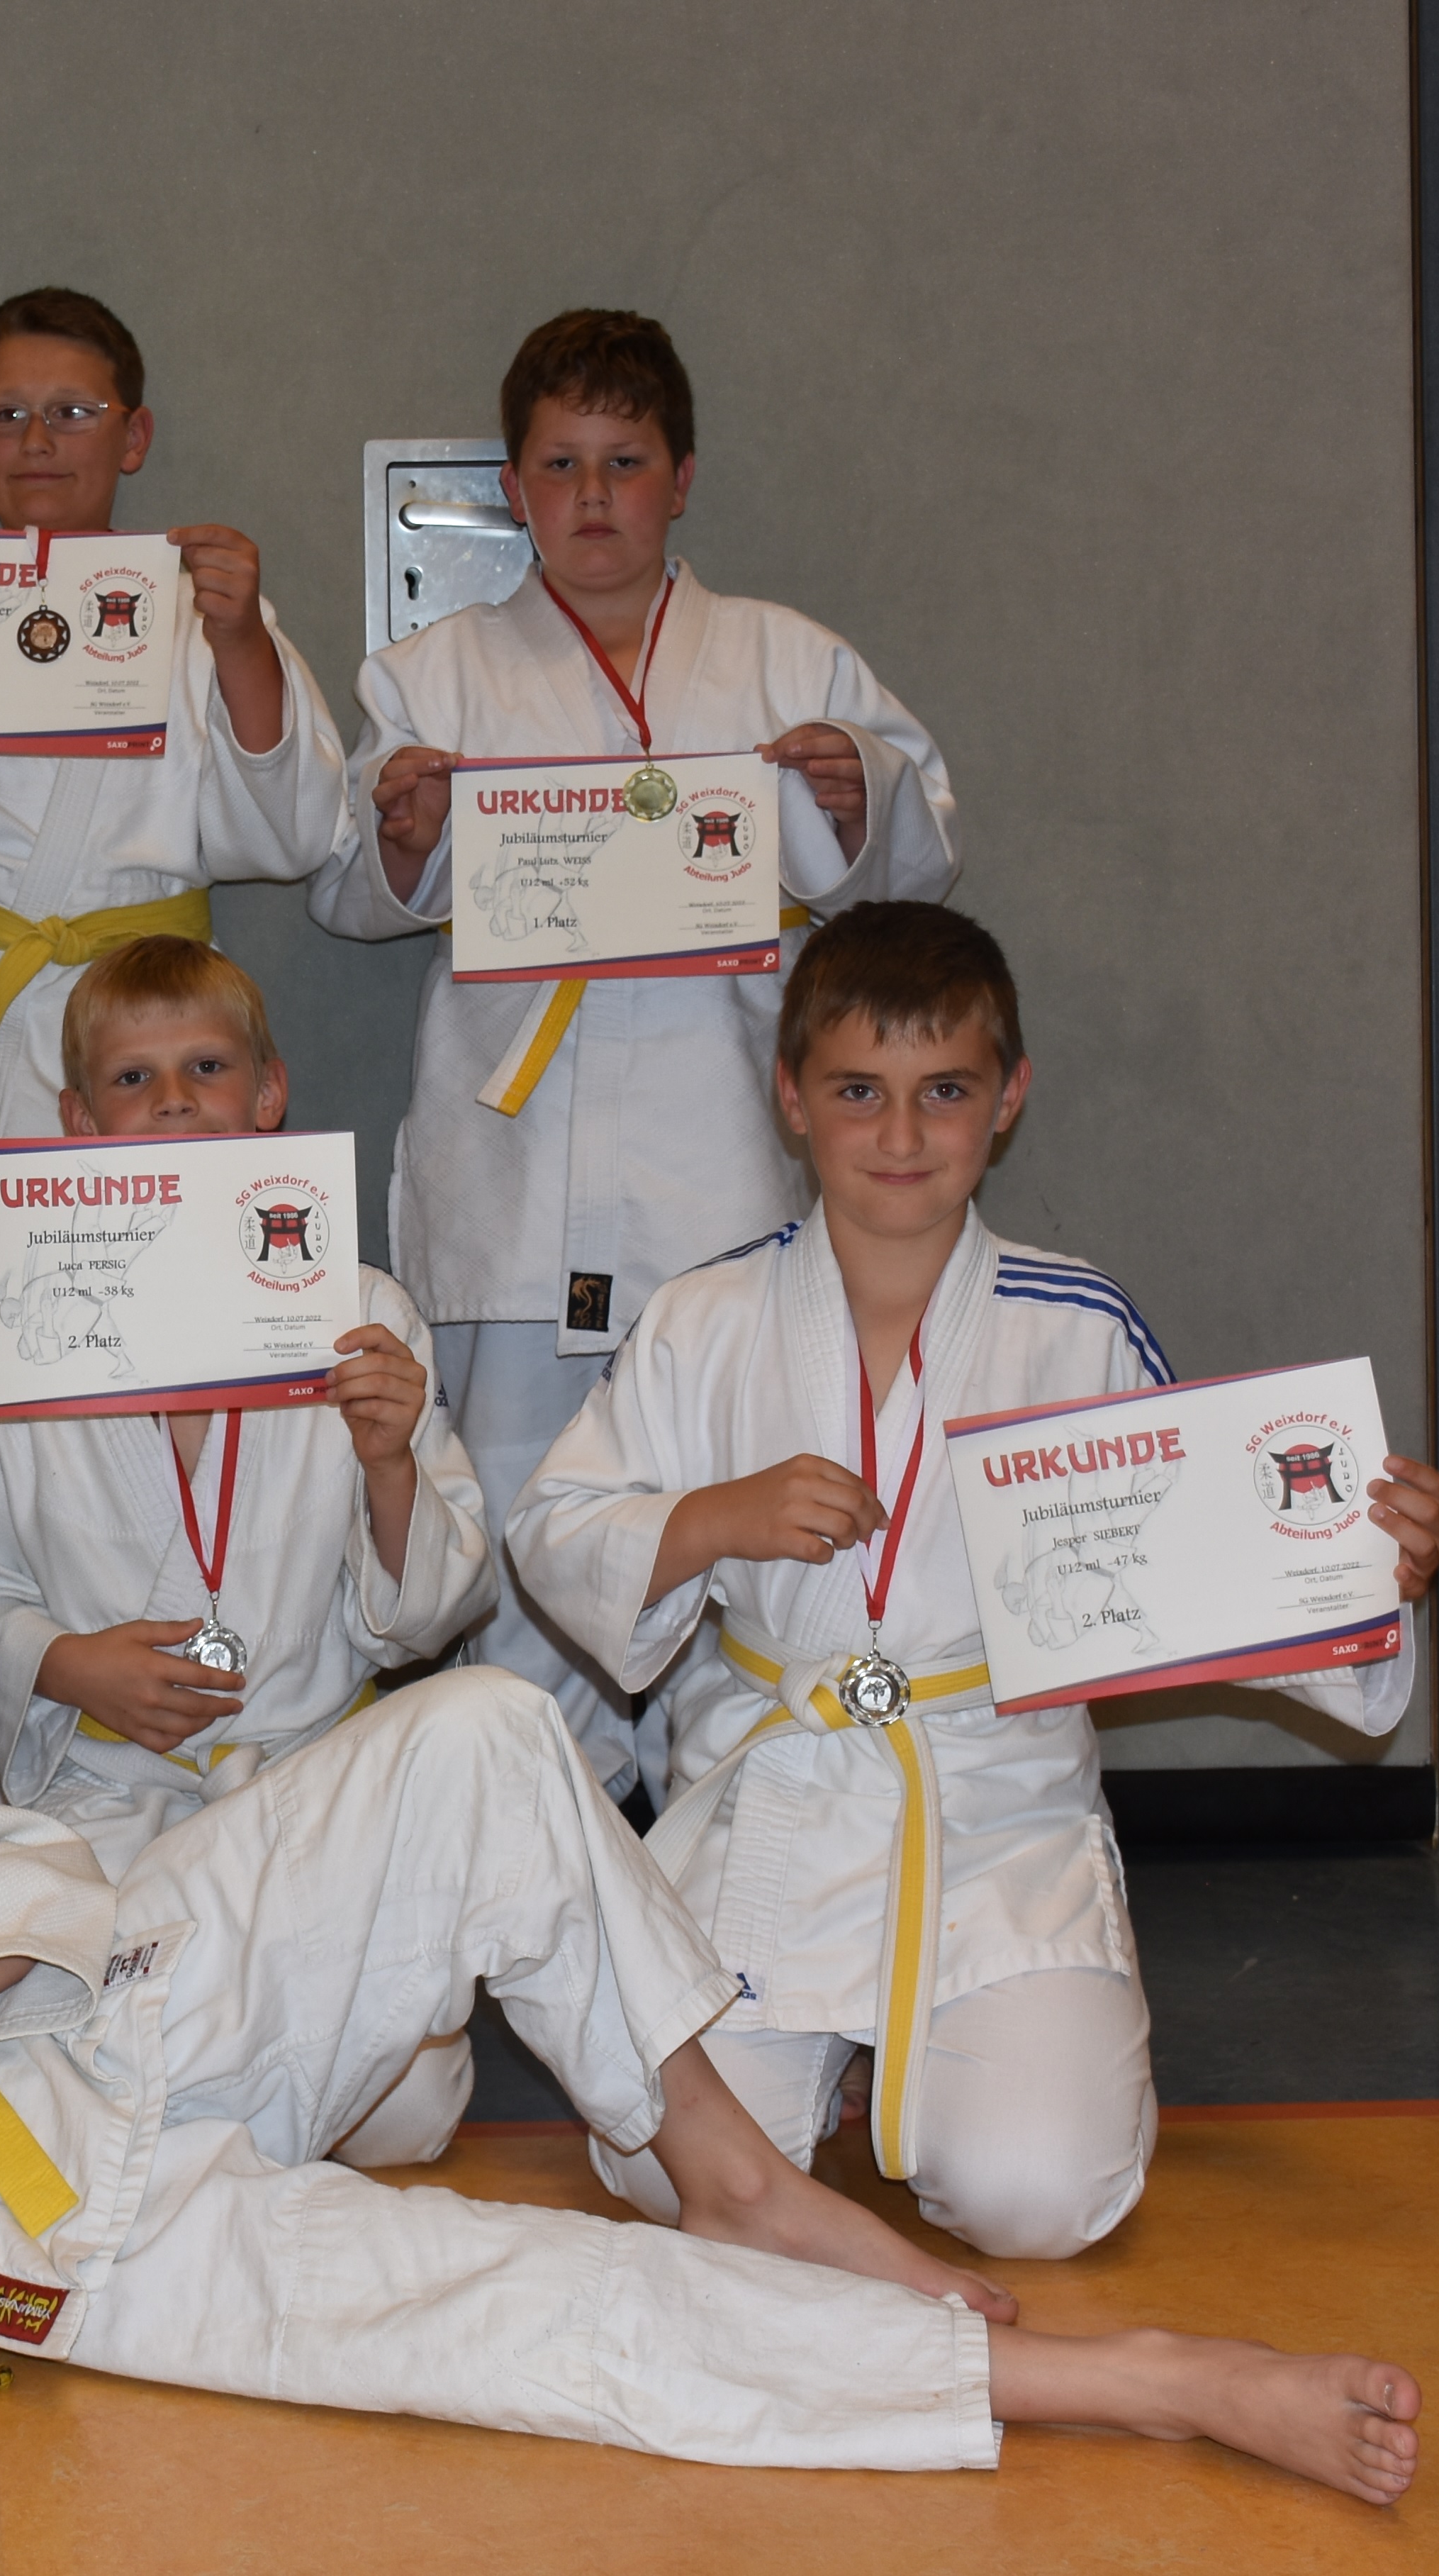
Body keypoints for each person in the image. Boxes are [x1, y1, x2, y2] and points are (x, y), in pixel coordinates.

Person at [0, 1466, 1423, 2507]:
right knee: (524, 2331)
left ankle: (727, 2159)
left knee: (478, 1730)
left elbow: (33, 1861)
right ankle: (1121, 2383)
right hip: (26, 2246)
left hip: (102, 2026)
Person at [508, 904, 1439, 2260]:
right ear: (790, 1097)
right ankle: (835, 2057)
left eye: (943, 1091)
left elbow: (1195, 1556)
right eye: (857, 1091)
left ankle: (980, 2040)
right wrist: (714, 1518)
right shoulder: (699, 1320)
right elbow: (556, 1526)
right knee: (674, 2185)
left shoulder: (1075, 1323)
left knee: (1037, 2198)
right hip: (772, 1806)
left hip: (994, 1808)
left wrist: (1367, 1563)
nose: (900, 1134)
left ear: (1006, 1099)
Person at [307, 310, 959, 1814]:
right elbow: (347, 887)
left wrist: (858, 793)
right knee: (525, 1532)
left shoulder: (788, 657)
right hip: (515, 1175)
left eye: (624, 462)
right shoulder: (432, 673)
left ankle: (732, 1847)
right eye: (559, 465)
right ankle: (540, 1864)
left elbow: (921, 854)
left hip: (716, 1161)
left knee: (730, 1523)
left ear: (682, 477)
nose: (592, 495)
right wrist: (407, 833)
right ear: (513, 487)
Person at [0, 286, 349, 1797]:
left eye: (74, 411)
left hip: (157, 1078)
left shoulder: (196, 608)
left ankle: (192, 1808)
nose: (39, 439)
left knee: (169, 1462)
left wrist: (239, 640)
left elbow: (300, 827)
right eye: (8, 414)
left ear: (133, 436)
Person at [0, 937, 495, 1885]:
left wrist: (391, 1463)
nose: (174, 1098)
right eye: (132, 1077)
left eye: (208, 1067)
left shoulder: (364, 1318)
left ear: (269, 1095)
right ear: (79, 1122)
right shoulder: (34, 1329)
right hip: (103, 1789)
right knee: (6, 1955)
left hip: (319, 1771)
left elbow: (435, 1613)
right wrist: (66, 1666)